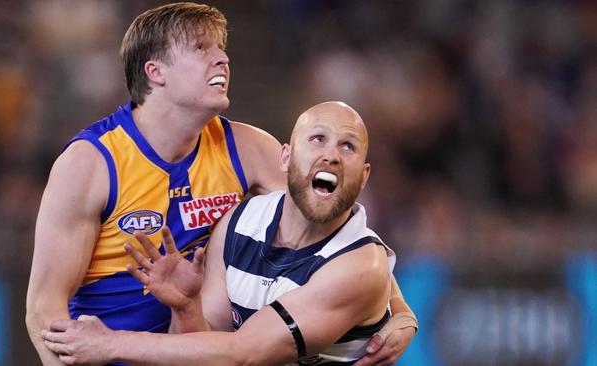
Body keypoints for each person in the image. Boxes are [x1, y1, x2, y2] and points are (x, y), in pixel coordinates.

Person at [26, 3, 416, 365]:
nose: (223, 58)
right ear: (155, 71)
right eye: (201, 48)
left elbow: (333, 224)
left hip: (198, 348)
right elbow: (44, 311)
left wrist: (399, 310)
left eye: (222, 48)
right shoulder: (91, 163)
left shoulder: (244, 148)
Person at [42, 101, 417, 366]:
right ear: (284, 158)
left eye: (347, 146)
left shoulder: (360, 265)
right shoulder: (239, 223)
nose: (331, 155)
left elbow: (242, 355)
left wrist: (110, 344)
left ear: (364, 176)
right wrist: (186, 307)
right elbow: (205, 354)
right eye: (317, 139)